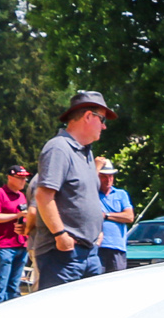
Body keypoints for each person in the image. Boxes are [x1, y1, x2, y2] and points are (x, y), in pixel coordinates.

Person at [33, 90, 115, 289]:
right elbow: (43, 196)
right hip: (63, 254)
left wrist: (96, 233)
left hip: (88, 252)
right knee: (59, 309)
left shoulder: (86, 152)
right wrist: (60, 234)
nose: (104, 126)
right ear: (88, 116)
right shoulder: (58, 148)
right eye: (102, 119)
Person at [0, 166, 30, 305]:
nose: (24, 181)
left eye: (25, 178)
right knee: (0, 285)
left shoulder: (22, 196)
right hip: (5, 246)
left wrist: (25, 224)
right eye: (20, 178)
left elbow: (24, 216)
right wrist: (16, 215)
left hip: (22, 244)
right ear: (10, 178)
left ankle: (10, 312)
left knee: (14, 286)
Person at [95, 157, 134, 272]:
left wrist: (106, 215)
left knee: (117, 279)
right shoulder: (92, 194)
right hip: (97, 246)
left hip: (117, 247)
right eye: (104, 176)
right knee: (96, 278)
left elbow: (129, 217)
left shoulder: (121, 194)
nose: (108, 180)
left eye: (110, 176)